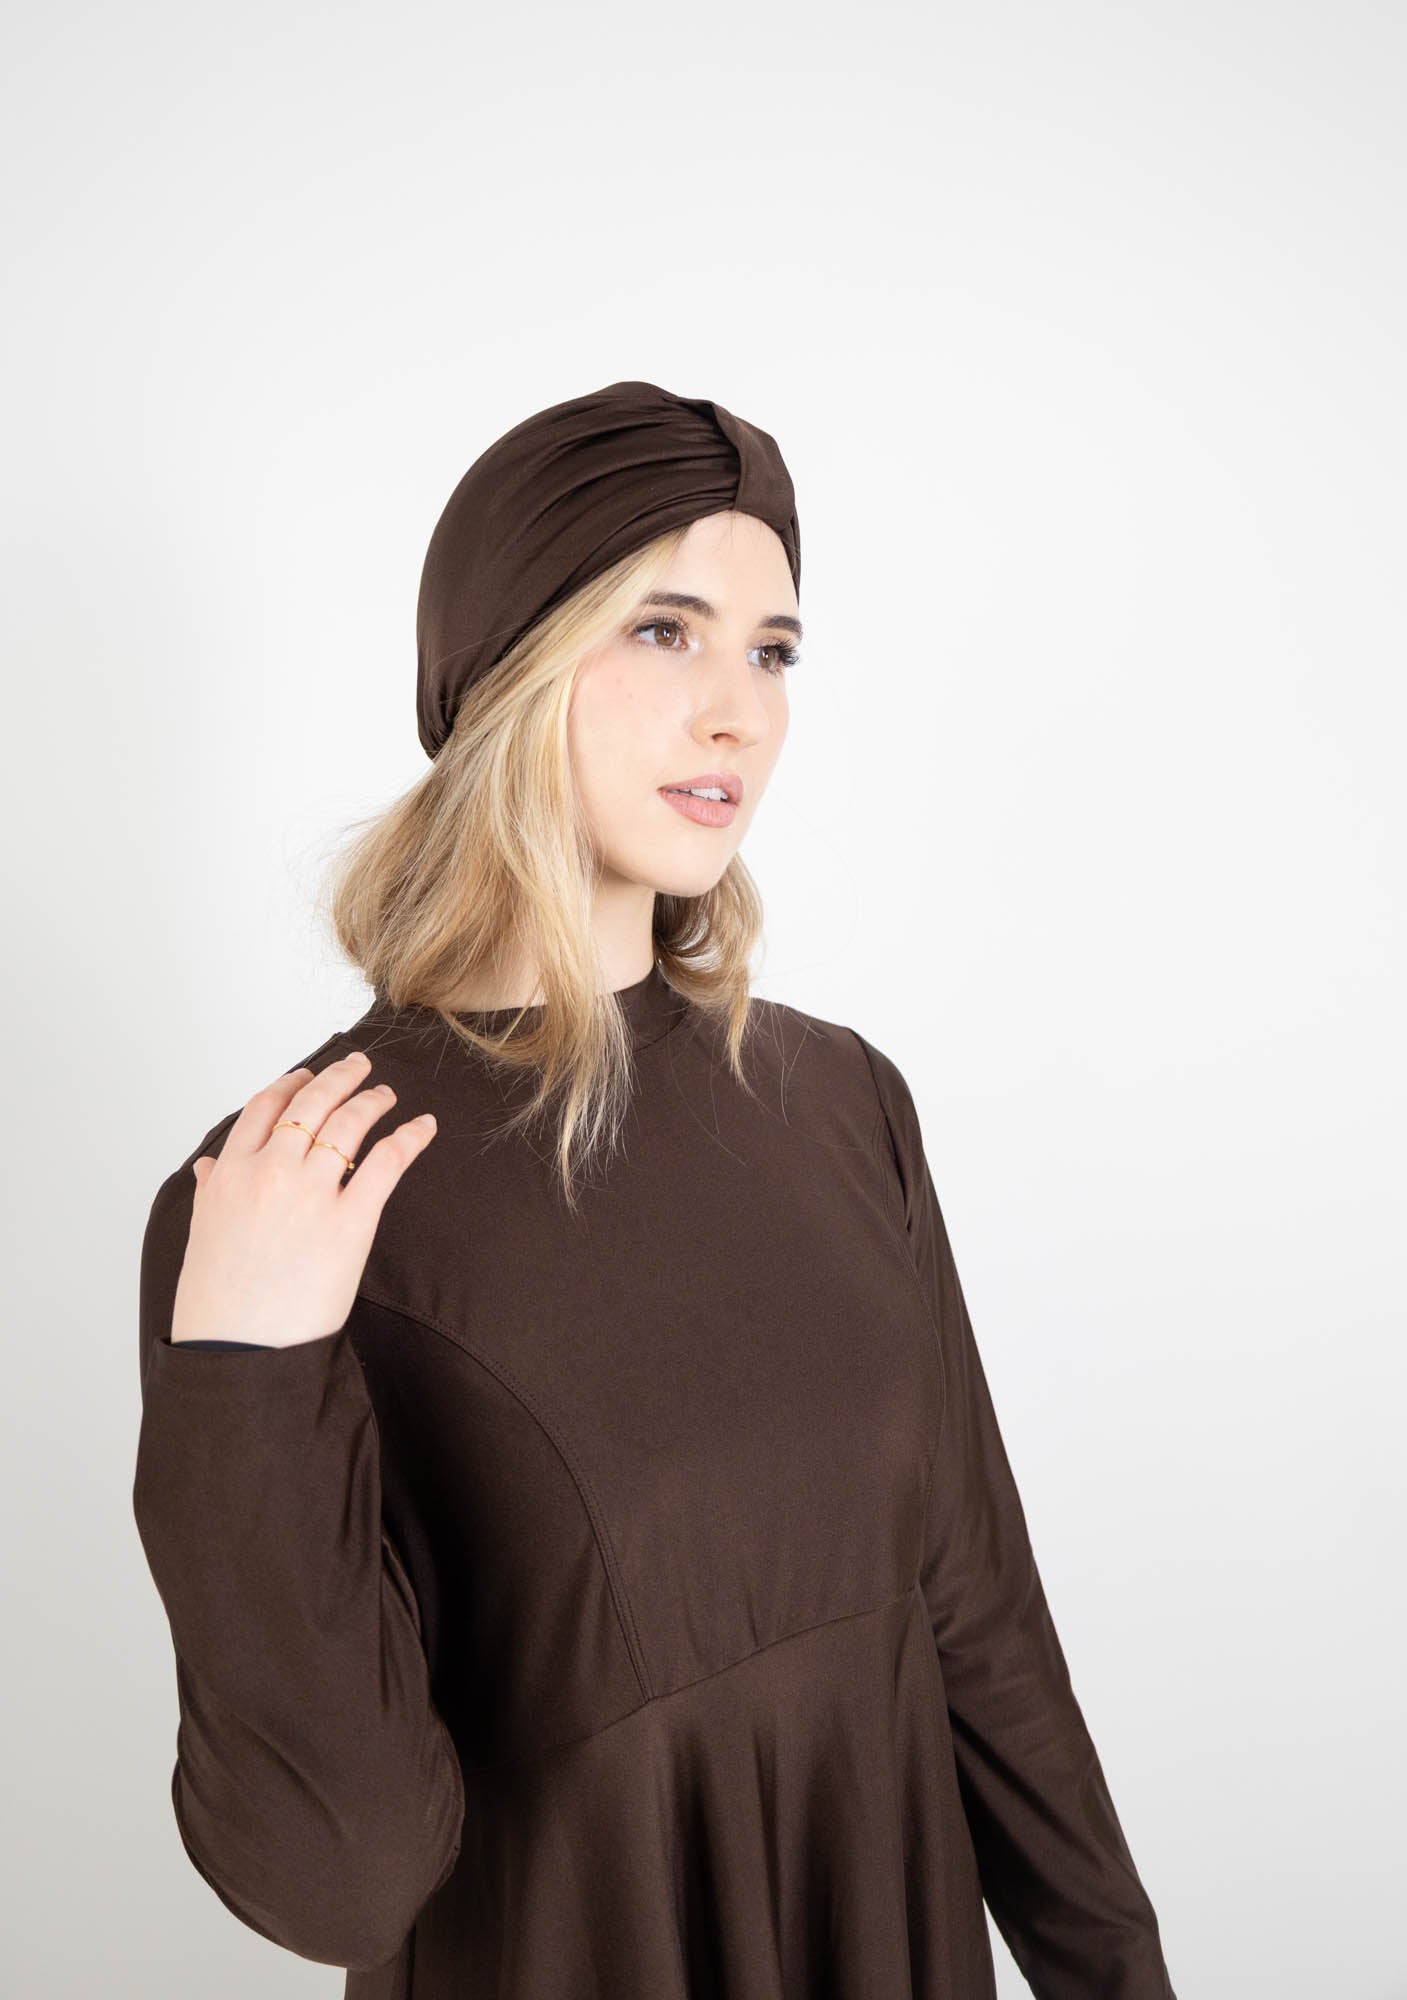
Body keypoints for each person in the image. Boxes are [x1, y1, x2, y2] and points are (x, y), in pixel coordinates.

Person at [132, 380, 1178, 1998]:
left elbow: (981, 1626)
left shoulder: (841, 1101)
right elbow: (344, 1878)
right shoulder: (298, 1180)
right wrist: (246, 1379)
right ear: (506, 664)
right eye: (666, 631)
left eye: (774, 651)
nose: (738, 712)